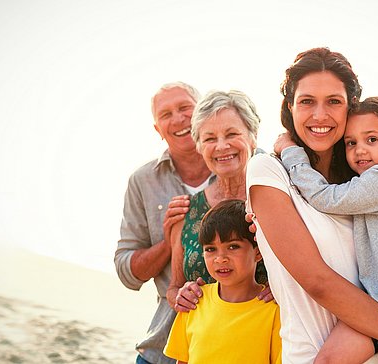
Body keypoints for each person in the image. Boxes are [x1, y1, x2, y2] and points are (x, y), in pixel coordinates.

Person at [244, 47, 378, 363]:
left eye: (334, 102)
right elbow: (317, 282)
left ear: (351, 106)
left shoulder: (369, 178)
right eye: (307, 101)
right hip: (317, 356)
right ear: (290, 107)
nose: (320, 116)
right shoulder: (268, 171)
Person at [274, 96, 378, 363]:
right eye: (351, 143)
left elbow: (324, 197)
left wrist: (290, 151)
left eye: (372, 140)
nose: (360, 150)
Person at [114, 81, 212, 364]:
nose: (178, 119)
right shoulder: (143, 181)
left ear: (203, 111)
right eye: (166, 114)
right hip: (163, 349)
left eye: (185, 107)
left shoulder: (246, 163)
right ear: (158, 129)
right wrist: (170, 244)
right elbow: (127, 271)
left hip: (234, 344)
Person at [165, 89, 267, 309]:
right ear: (200, 147)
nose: (221, 146)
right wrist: (181, 296)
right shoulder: (186, 212)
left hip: (273, 335)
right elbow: (174, 287)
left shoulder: (276, 199)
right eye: (210, 138)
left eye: (232, 135)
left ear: (252, 138)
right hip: (209, 339)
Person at [163, 199, 281, 364]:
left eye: (233, 247)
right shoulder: (193, 302)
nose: (220, 259)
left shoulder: (275, 311)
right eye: (211, 249)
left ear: (258, 252)